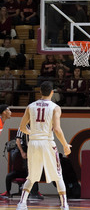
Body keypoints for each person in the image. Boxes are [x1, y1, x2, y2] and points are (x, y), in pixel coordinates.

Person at [16, 81, 72, 210]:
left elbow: (22, 127)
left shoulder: (30, 106)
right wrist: (65, 144)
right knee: (58, 175)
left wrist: (33, 133)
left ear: (40, 92)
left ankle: (21, 204)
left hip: (34, 143)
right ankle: (64, 205)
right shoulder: (55, 107)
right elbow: (57, 129)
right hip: (47, 142)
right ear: (52, 92)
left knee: (32, 176)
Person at [1, 124, 43, 200]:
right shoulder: (22, 128)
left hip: (33, 151)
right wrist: (22, 152)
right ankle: (8, 192)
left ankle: (35, 192)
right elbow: (18, 140)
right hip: (21, 167)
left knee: (33, 173)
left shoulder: (37, 126)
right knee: (9, 176)